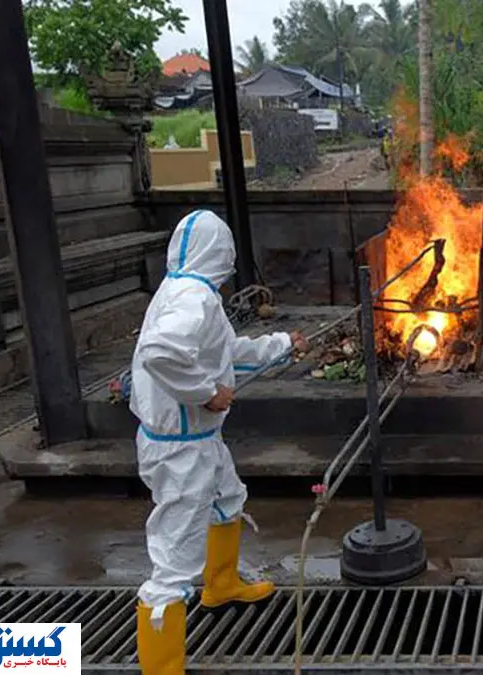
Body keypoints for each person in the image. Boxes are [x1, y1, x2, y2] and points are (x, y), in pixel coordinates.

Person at [131, 210, 308, 674]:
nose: (230, 269)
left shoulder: (183, 291)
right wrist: (207, 394)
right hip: (179, 449)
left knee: (228, 498)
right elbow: (159, 354)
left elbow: (228, 356)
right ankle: (161, 667)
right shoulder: (194, 299)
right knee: (172, 562)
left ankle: (222, 583)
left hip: (197, 439)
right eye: (228, 257)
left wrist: (282, 345)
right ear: (219, 254)